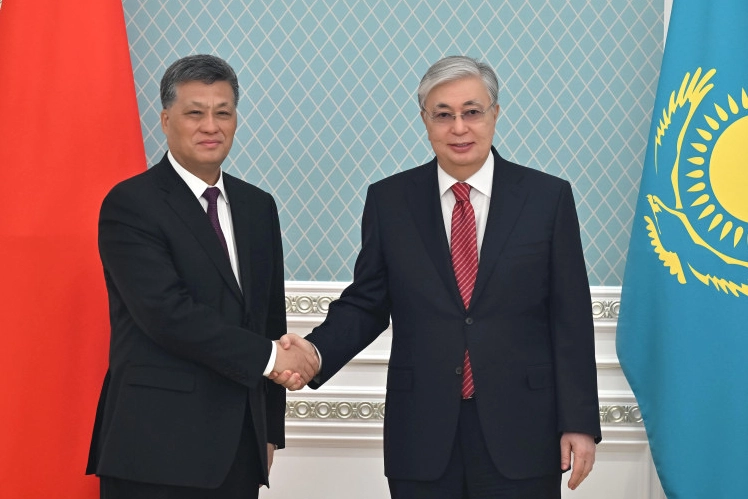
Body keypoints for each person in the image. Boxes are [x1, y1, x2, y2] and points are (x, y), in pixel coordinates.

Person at [274, 55, 601, 498]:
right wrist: (315, 353)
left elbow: (571, 318)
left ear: (495, 114)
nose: (459, 128)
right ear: (425, 120)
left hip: (524, 430)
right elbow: (367, 303)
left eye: (472, 112)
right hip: (422, 432)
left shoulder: (547, 198)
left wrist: (579, 422)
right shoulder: (390, 201)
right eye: (443, 115)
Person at [85, 54, 318, 499]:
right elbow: (166, 314)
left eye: (223, 113)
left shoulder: (257, 206)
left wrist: (269, 431)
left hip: (239, 450)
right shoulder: (131, 204)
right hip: (154, 449)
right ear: (165, 120)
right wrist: (272, 358)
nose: (211, 126)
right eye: (195, 113)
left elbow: (269, 319)